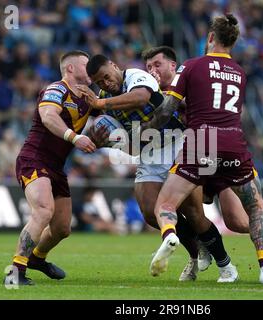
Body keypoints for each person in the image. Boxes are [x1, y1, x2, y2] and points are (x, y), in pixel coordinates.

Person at [142, 14, 263, 284]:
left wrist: (145, 128)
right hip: (234, 142)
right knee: (255, 208)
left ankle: (170, 236)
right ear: (233, 42)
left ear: (210, 37)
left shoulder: (191, 66)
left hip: (202, 142)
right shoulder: (240, 73)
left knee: (165, 204)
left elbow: (166, 112)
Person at [79, 54, 238, 282]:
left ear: (114, 66)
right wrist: (104, 140)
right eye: (99, 82)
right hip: (149, 152)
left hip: (178, 144)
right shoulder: (104, 98)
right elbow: (130, 143)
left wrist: (100, 104)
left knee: (192, 212)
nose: (105, 84)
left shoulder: (135, 76)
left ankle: (226, 266)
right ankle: (195, 252)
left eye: (106, 77)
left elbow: (141, 98)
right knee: (150, 211)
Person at [4, 50, 97, 286]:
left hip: (56, 166)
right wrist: (74, 138)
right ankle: (15, 273)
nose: (92, 68)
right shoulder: (57, 89)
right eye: (87, 65)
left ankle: (37, 258)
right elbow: (48, 117)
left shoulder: (88, 97)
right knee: (44, 211)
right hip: (34, 159)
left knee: (62, 228)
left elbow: (111, 115)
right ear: (71, 69)